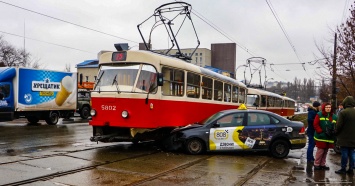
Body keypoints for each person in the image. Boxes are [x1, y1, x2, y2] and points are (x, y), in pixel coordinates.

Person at [313, 102, 337, 170]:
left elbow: (336, 125)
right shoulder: (319, 114)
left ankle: (322, 164)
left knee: (326, 151)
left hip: (329, 137)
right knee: (320, 151)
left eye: (329, 107)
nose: (328, 109)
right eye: (327, 107)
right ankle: (316, 164)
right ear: (324, 108)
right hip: (321, 137)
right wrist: (320, 132)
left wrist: (334, 132)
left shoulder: (334, 116)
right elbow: (315, 124)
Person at [335, 96, 355, 174]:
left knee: (344, 153)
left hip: (344, 137)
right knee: (352, 153)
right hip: (353, 137)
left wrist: (336, 132)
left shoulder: (343, 112)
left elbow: (339, 125)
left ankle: (343, 168)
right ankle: (351, 169)